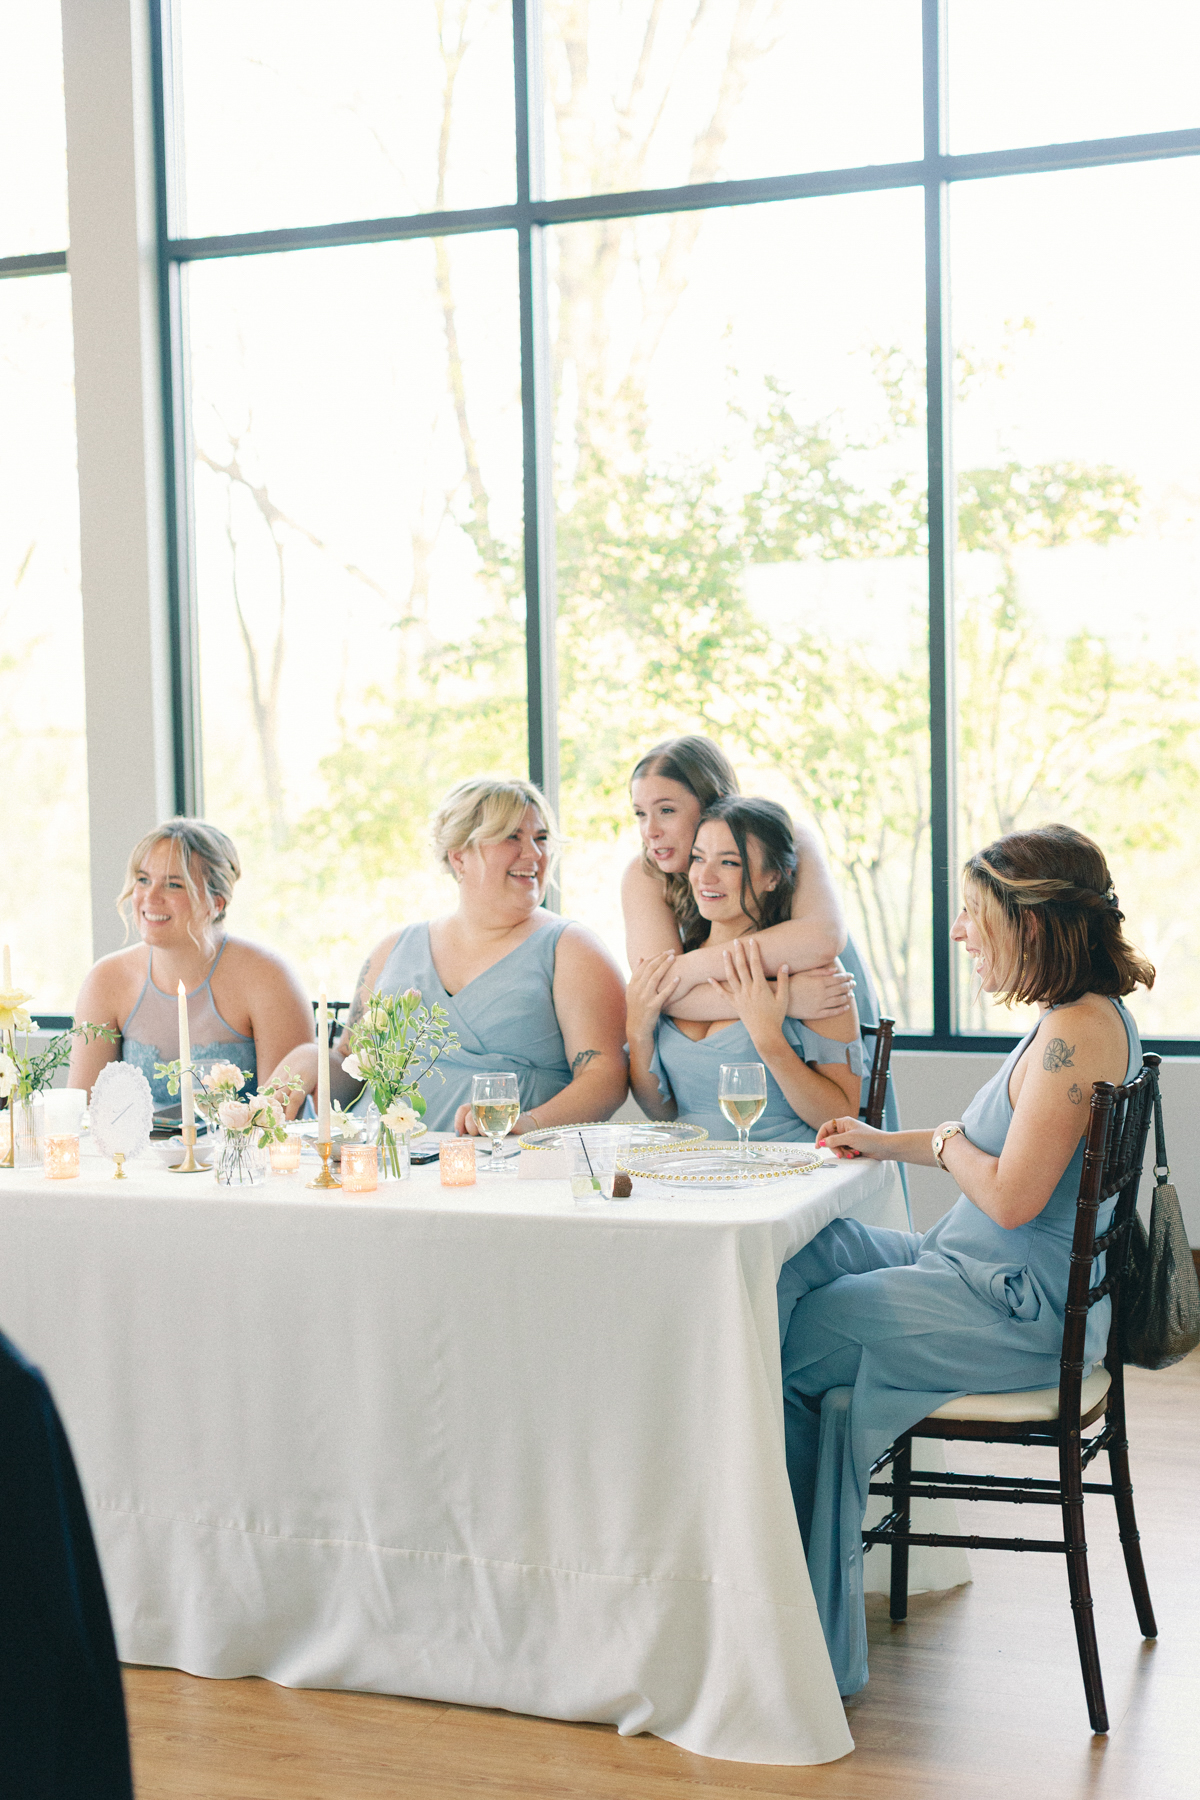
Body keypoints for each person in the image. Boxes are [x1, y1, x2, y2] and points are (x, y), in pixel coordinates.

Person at [777, 824, 1154, 1698]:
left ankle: (792, 1619)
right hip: (980, 1277)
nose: (958, 932)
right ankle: (792, 1574)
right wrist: (887, 1141)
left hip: (1011, 1308)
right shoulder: (1076, 1022)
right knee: (810, 1250)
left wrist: (939, 1145)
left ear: (1032, 927)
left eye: (973, 914)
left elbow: (1013, 1196)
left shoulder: (1077, 1037)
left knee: (782, 1343)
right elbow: (986, 1145)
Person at [270, 777, 628, 1133]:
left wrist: (529, 1123)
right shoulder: (392, 949)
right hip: (383, 1169)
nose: (534, 854)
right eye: (512, 837)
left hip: (504, 1166)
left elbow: (605, 1076)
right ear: (459, 856)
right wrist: (311, 1060)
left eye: (541, 838)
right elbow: (352, 1065)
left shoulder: (573, 948)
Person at [623, 734, 903, 1137]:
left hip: (801, 966)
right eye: (639, 814)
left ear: (712, 804)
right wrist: (783, 999)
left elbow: (822, 938)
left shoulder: (788, 838)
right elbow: (663, 991)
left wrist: (777, 1003)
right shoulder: (645, 873)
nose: (650, 831)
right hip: (700, 1151)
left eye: (666, 810)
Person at [68, 820, 313, 1110]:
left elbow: (281, 1121)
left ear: (216, 903)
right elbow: (81, 1113)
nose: (150, 896)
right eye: (143, 879)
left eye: (173, 885)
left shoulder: (269, 977)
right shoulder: (106, 979)